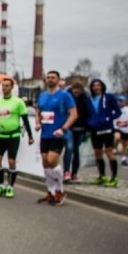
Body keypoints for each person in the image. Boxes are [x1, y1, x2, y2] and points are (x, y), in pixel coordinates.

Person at [35, 70, 77, 205]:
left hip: (58, 133)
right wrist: (37, 122)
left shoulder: (65, 95)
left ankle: (60, 190)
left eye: (53, 77)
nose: (50, 79)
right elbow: (38, 111)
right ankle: (51, 191)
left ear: (58, 80)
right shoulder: (42, 96)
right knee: (45, 162)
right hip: (45, 134)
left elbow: (74, 114)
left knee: (52, 160)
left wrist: (63, 128)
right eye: (48, 77)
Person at [0, 77, 34, 197]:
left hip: (13, 135)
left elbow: (25, 119)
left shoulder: (18, 102)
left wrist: (30, 135)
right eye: (2, 86)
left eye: (7, 86)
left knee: (11, 161)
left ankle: (10, 186)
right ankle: (1, 184)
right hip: (0, 135)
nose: (4, 88)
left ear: (12, 87)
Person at [86, 78, 121, 187]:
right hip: (94, 129)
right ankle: (102, 175)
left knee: (109, 151)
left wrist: (108, 118)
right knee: (97, 152)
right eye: (94, 86)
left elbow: (118, 112)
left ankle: (114, 177)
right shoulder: (89, 99)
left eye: (98, 85)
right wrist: (89, 123)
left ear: (102, 86)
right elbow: (86, 113)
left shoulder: (109, 97)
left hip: (107, 129)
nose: (96, 87)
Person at [62, 81, 89, 182]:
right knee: (69, 149)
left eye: (79, 89)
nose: (77, 91)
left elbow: (88, 114)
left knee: (76, 152)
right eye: (75, 89)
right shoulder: (67, 98)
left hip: (81, 128)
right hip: (69, 127)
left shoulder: (85, 99)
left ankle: (74, 172)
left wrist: (87, 128)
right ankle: (66, 172)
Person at [113, 94, 128, 166]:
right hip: (117, 127)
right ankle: (114, 148)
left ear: (125, 102)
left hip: (126, 129)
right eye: (119, 101)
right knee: (117, 137)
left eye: (121, 101)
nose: (120, 102)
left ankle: (124, 159)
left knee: (125, 144)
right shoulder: (114, 108)